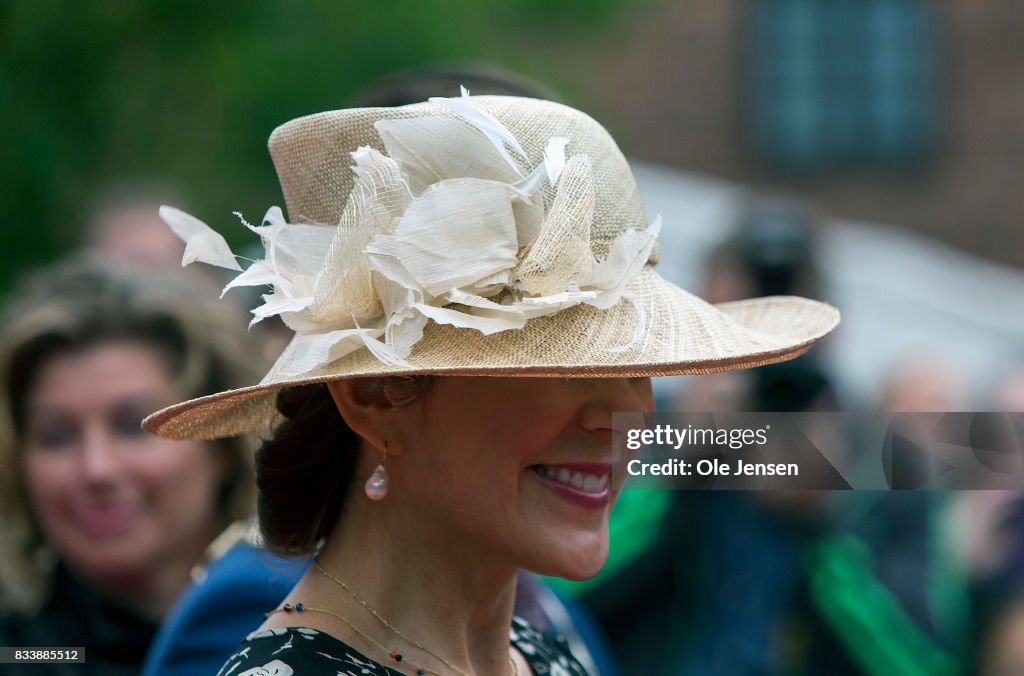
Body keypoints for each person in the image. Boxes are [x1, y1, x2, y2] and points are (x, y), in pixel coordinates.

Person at [145, 91, 839, 675]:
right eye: (562, 367)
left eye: (640, 366)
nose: (624, 416)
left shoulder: (546, 659)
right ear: (375, 396)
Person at [0, 258, 260, 675]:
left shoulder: (322, 626)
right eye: (56, 436)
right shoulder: (21, 654)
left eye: (134, 426)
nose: (96, 469)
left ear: (222, 444)